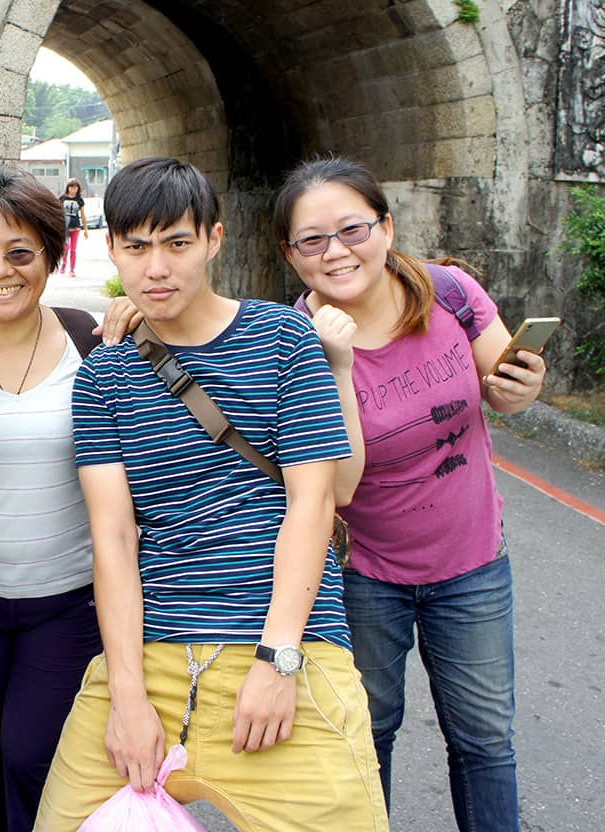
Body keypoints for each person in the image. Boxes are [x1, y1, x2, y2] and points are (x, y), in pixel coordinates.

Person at [35, 157, 388, 831]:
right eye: (136, 247)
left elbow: (313, 504)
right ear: (112, 248)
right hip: (153, 651)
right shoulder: (104, 376)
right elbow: (112, 538)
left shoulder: (284, 339)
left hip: (288, 646)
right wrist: (126, 695)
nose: (156, 268)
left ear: (214, 240)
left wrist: (277, 659)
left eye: (176, 243)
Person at [274, 157, 545, 832]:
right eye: (312, 240)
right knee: (366, 737)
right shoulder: (291, 344)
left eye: (351, 229)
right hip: (363, 578)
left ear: (386, 228)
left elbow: (500, 381)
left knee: (484, 739)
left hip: (473, 562)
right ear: (289, 254)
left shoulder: (447, 291)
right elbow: (336, 486)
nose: (335, 251)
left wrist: (522, 388)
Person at [0, 167, 106, 830]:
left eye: (19, 254)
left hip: (65, 602)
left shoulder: (91, 339)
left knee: (32, 754)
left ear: (48, 255)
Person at [58, 178, 89, 277]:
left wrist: (85, 229)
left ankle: (72, 269)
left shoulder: (79, 200)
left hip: (76, 226)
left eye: (75, 188)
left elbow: (83, 215)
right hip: (65, 227)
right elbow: (57, 212)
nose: (73, 189)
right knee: (66, 247)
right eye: (71, 187)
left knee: (73, 249)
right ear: (68, 188)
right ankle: (64, 263)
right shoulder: (62, 198)